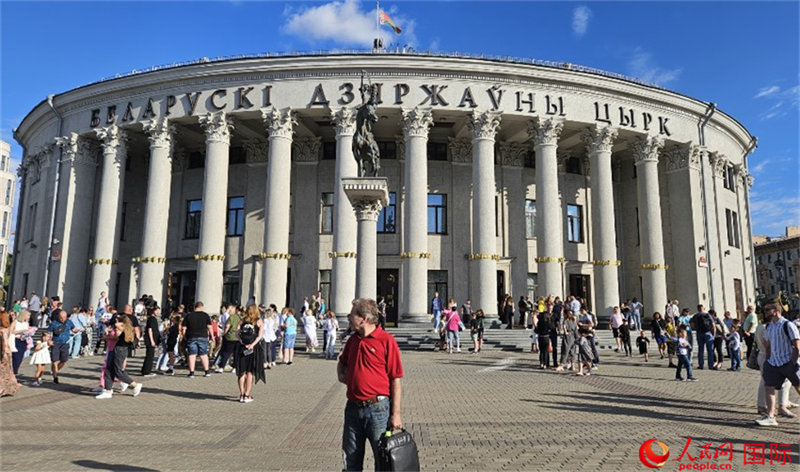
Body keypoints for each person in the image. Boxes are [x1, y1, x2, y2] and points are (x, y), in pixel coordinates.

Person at [338, 298, 403, 471]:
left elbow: (395, 379)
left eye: (351, 315)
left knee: (383, 461)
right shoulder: (353, 341)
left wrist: (396, 414)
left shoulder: (386, 341)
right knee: (350, 462)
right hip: (352, 408)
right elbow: (342, 362)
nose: (348, 318)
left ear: (363, 318)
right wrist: (342, 375)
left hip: (378, 409)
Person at [755, 302, 800, 427]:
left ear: (776, 310)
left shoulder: (788, 325)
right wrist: (768, 360)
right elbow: (768, 345)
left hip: (788, 363)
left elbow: (797, 346)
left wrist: (792, 362)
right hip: (773, 363)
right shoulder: (769, 326)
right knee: (769, 387)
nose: (765, 312)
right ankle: (771, 416)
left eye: (767, 310)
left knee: (798, 387)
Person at [95, 315, 143, 399]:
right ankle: (108, 390)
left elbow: (117, 325)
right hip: (116, 348)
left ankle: (135, 385)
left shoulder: (126, 328)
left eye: (118, 320)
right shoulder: (127, 328)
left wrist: (118, 320)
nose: (116, 321)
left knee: (118, 371)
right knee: (109, 369)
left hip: (120, 350)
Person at [235, 305, 266, 403]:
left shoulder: (242, 320)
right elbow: (260, 336)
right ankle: (247, 395)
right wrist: (252, 345)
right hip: (253, 349)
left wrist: (241, 342)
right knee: (250, 372)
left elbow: (236, 333)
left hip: (242, 348)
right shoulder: (258, 321)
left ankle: (241, 394)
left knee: (241, 372)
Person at [47, 307, 79, 384]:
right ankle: (55, 376)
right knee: (54, 360)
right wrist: (49, 340)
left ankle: (55, 370)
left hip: (65, 343)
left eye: (64, 317)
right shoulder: (54, 323)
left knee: (64, 360)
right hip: (55, 343)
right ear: (58, 316)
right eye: (61, 318)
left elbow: (73, 329)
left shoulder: (69, 322)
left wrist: (77, 330)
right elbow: (48, 333)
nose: (63, 319)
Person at [182, 301, 213, 378]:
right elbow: (209, 327)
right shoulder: (205, 315)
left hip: (191, 336)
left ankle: (192, 372)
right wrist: (212, 336)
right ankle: (207, 371)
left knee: (192, 354)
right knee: (203, 354)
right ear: (201, 307)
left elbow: (184, 328)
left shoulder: (188, 315)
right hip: (203, 336)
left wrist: (184, 336)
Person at [0, 312, 20, 396]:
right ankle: (9, 388)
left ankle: (2, 389)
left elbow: (3, 342)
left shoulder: (1, 330)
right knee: (8, 371)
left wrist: (3, 352)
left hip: (3, 351)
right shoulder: (7, 328)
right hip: (8, 351)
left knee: (2, 372)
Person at [690, 304, 716, 370]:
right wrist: (713, 334)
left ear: (698, 309)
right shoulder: (707, 315)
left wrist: (696, 328)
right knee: (710, 350)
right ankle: (710, 365)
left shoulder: (695, 316)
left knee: (700, 349)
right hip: (708, 333)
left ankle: (701, 365)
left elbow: (692, 324)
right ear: (703, 308)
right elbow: (713, 325)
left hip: (699, 333)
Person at [141, 307, 161, 376]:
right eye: (157, 311)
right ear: (154, 311)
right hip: (150, 340)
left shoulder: (152, 319)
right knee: (150, 356)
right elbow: (150, 330)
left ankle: (145, 370)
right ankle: (146, 371)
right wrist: (152, 340)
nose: (158, 312)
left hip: (152, 340)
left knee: (150, 355)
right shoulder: (152, 319)